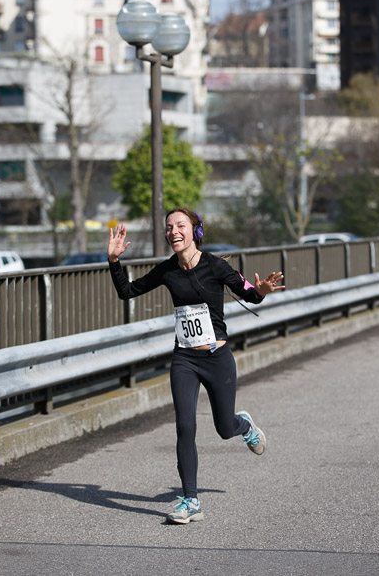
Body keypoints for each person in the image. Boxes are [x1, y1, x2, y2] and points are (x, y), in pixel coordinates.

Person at [108, 207, 284, 524]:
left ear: (196, 231)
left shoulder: (216, 266)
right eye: (169, 227)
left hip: (217, 359)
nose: (173, 231)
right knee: (185, 426)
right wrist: (114, 261)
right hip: (185, 358)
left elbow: (250, 293)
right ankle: (191, 501)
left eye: (180, 225)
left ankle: (243, 425)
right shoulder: (167, 270)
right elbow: (127, 291)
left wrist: (261, 291)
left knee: (224, 428)